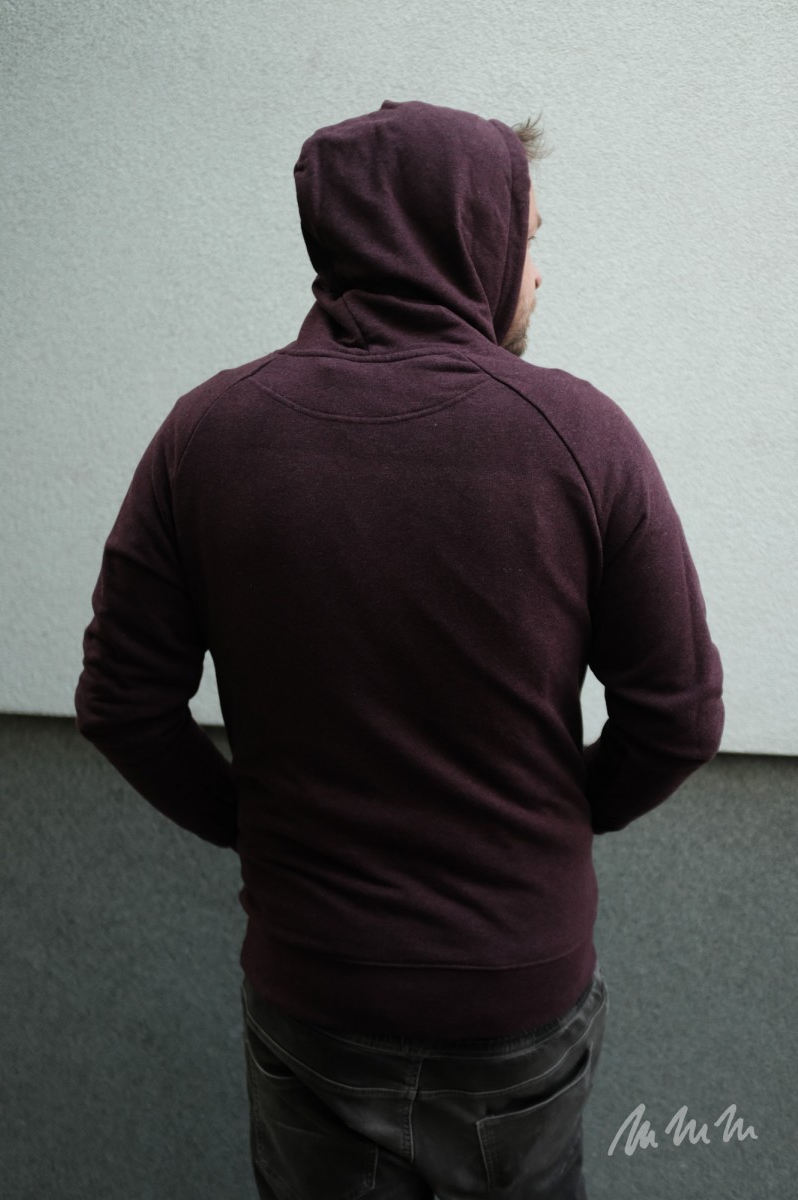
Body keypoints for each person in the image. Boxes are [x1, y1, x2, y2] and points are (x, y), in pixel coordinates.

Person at [74, 99, 724, 1199]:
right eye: (529, 235)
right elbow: (679, 719)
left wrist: (255, 826)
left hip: (314, 984)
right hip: (517, 992)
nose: (536, 271)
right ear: (470, 234)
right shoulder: (581, 438)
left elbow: (121, 703)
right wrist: (556, 819)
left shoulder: (207, 433)